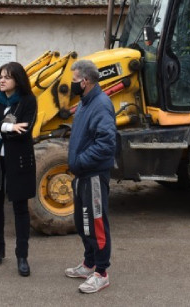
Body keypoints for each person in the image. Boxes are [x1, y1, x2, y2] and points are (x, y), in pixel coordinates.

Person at [0, 62, 37, 277]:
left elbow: (24, 131)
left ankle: (22, 256)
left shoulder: (28, 100)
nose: (2, 80)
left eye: (7, 77)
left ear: (17, 80)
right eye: (0, 76)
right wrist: (7, 126)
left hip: (18, 161)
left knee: (20, 208)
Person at [65, 60, 116, 294]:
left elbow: (106, 144)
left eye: (74, 80)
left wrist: (80, 161)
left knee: (96, 224)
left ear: (85, 81)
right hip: (82, 175)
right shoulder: (85, 102)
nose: (72, 84)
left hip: (93, 175)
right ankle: (89, 263)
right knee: (82, 222)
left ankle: (101, 273)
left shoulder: (101, 104)